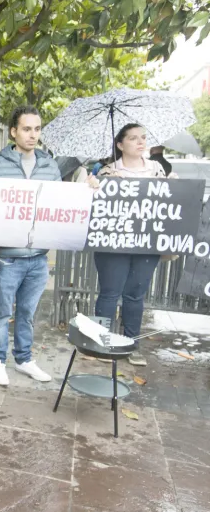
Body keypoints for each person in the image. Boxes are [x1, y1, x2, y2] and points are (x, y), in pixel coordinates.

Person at [0, 106, 62, 386]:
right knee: (2, 313)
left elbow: (60, 206)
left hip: (38, 257)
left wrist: (87, 189)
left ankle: (24, 359)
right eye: (26, 129)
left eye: (37, 129)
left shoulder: (50, 167)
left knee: (27, 313)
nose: (33, 134)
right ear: (13, 131)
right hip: (8, 258)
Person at [87, 123, 177, 366]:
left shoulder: (157, 170)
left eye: (143, 138)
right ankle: (101, 344)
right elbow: (91, 205)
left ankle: (130, 344)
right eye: (134, 138)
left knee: (135, 295)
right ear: (120, 144)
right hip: (112, 245)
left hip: (146, 244)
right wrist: (96, 184)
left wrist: (175, 186)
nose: (141, 142)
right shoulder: (106, 171)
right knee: (109, 293)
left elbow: (169, 204)